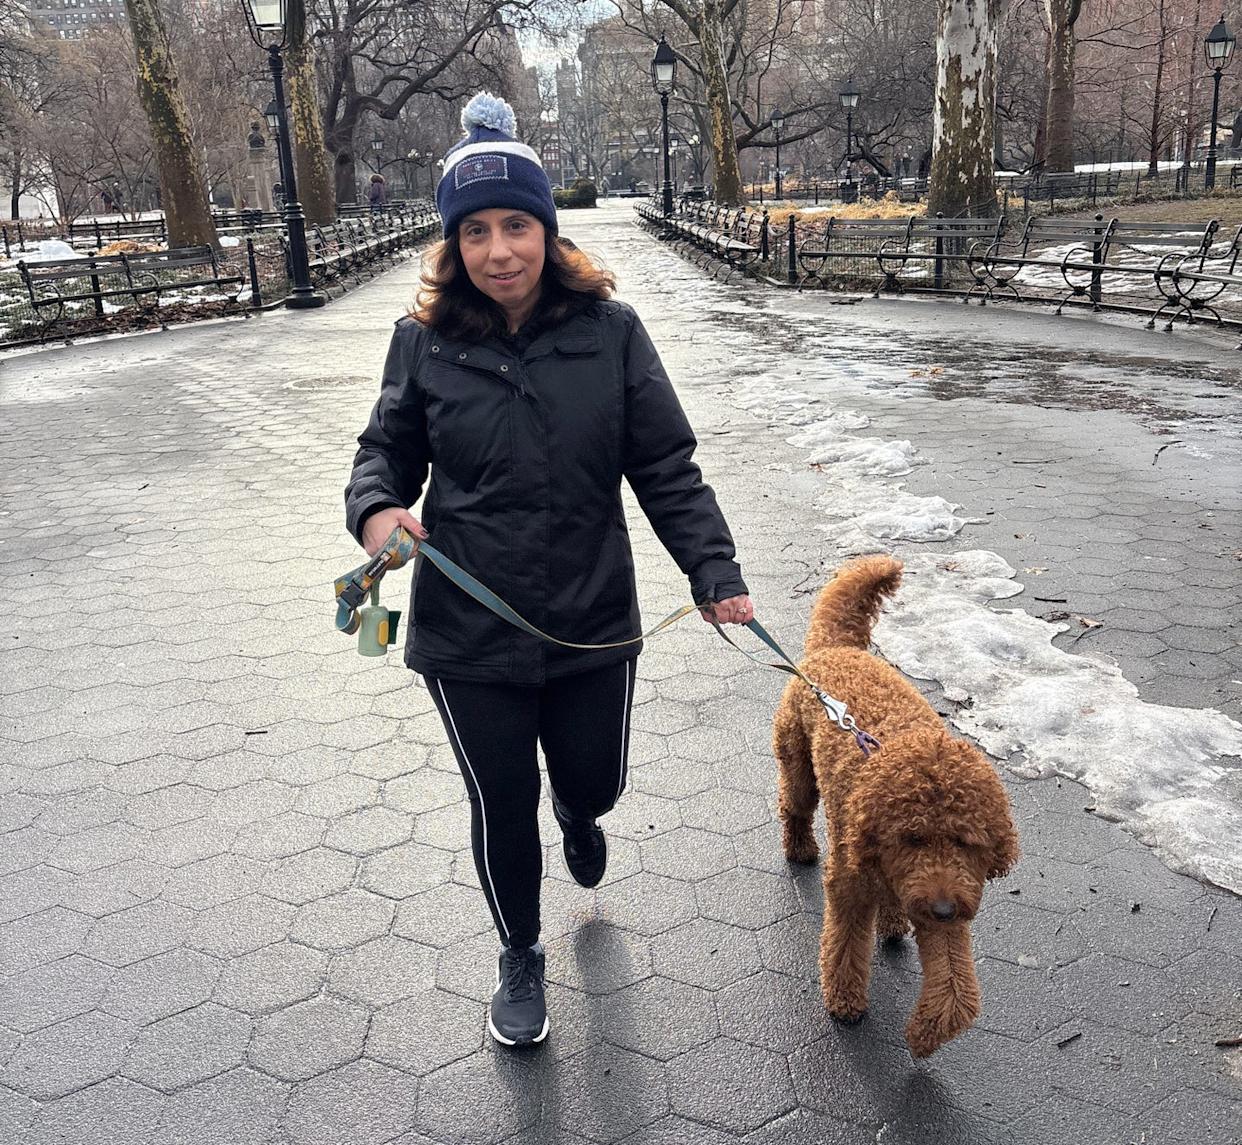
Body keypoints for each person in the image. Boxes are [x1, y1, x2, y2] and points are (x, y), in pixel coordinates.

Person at [344, 92, 752, 1049]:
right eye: (475, 232)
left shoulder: (611, 332)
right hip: (468, 624)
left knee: (592, 776)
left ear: (547, 231)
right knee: (499, 799)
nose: (498, 251)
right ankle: (520, 950)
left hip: (588, 614)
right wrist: (375, 513)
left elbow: (665, 466)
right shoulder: (424, 340)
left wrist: (714, 569)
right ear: (454, 245)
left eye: (515, 226)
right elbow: (382, 453)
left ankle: (582, 809)